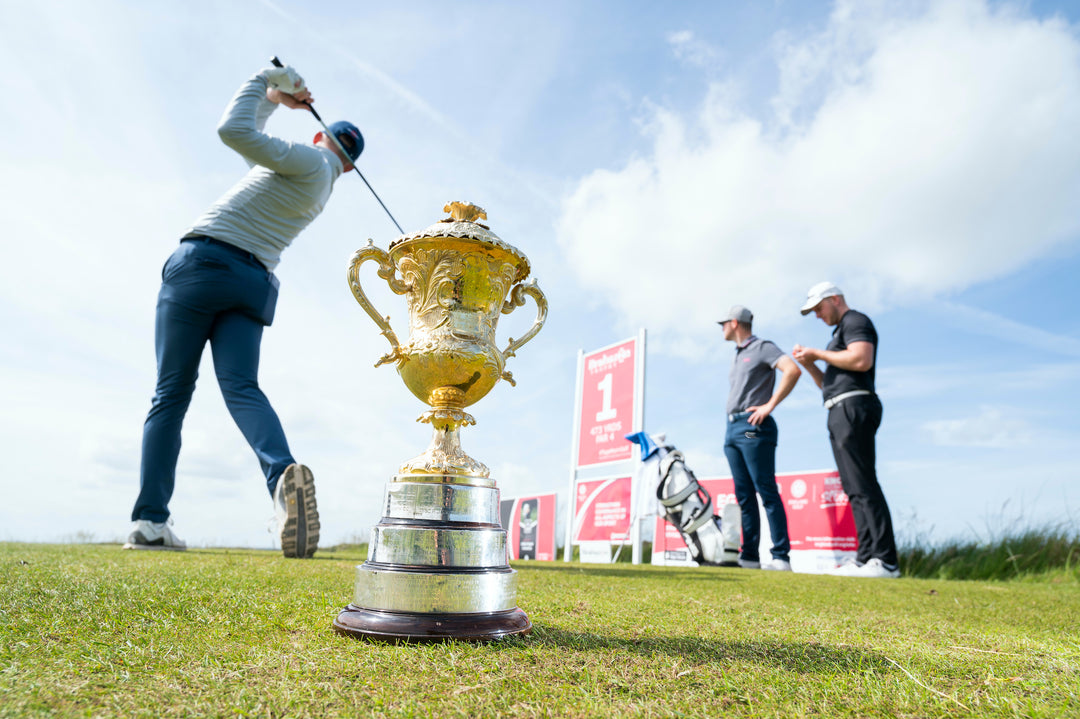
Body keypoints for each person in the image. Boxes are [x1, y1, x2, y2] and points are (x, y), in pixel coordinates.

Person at [123, 63, 364, 558]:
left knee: (170, 395)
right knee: (242, 388)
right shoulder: (322, 184)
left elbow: (231, 131)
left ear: (319, 134)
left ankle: (149, 522)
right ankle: (282, 477)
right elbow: (254, 139)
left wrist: (268, 83)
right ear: (352, 167)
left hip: (202, 266)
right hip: (252, 283)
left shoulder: (307, 160)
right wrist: (277, 101)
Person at [792, 282, 899, 578]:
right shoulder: (835, 337)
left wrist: (817, 353)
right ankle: (866, 557)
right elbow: (827, 385)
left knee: (864, 483)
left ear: (835, 299)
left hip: (855, 407)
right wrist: (811, 363)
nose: (816, 315)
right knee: (853, 487)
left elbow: (862, 359)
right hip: (838, 407)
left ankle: (885, 560)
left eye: (818, 308)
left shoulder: (856, 321)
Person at [719, 305, 802, 572]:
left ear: (734, 323)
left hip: (752, 427)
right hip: (732, 428)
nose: (721, 328)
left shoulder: (762, 347)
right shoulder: (737, 354)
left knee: (765, 489)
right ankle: (750, 557)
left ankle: (780, 556)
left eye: (724, 323)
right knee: (744, 494)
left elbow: (792, 369)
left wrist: (770, 405)